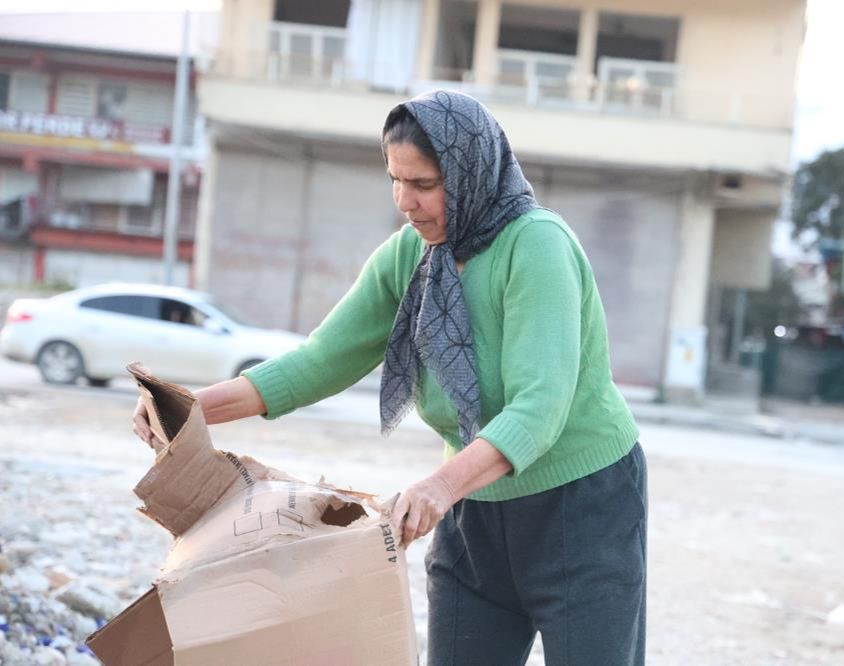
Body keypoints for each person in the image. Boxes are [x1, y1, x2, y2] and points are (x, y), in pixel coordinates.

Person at [132, 89, 647, 665]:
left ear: (471, 172)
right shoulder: (410, 256)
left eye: (424, 184)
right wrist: (190, 409)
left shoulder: (536, 247)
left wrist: (439, 487)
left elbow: (540, 407)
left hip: (580, 509)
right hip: (476, 507)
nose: (405, 201)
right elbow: (319, 362)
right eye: (395, 181)